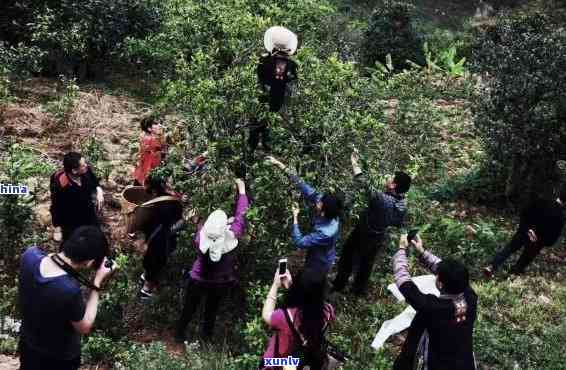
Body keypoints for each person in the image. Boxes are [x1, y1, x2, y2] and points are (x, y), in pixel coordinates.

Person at [18, 226, 117, 370]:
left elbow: (48, 261)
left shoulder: (29, 255)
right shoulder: (68, 290)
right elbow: (84, 326)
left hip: (28, 345)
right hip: (59, 358)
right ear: (89, 262)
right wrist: (97, 282)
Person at [175, 178, 249, 342]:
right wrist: (242, 191)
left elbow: (205, 230)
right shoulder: (232, 235)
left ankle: (179, 335)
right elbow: (241, 216)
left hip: (197, 279)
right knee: (211, 311)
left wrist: (199, 221)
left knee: (189, 308)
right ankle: (205, 339)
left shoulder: (199, 238)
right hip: (219, 282)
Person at [392, 234, 477, 370]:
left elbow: (405, 283)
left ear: (440, 284)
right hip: (464, 363)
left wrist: (401, 249)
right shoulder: (471, 297)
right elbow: (444, 269)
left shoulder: (433, 308)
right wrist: (422, 251)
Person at [332, 149, 411, 296]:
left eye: (390, 178)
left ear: (393, 185)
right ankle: (358, 291)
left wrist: (354, 162)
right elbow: (402, 221)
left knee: (348, 256)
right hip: (378, 237)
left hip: (364, 232)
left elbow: (364, 183)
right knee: (366, 264)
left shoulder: (383, 200)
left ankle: (338, 285)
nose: (388, 178)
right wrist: (403, 233)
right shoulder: (402, 203)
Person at [266, 156, 343, 274]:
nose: (317, 201)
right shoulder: (329, 208)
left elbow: (300, 242)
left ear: (323, 212)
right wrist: (279, 164)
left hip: (320, 262)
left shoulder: (326, 232)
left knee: (311, 279)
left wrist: (295, 217)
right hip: (315, 253)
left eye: (320, 203)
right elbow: (302, 184)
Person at [260, 268, 335, 370]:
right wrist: (291, 285)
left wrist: (275, 285)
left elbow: (266, 315)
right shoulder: (328, 311)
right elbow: (310, 300)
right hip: (304, 358)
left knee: (266, 361)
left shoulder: (283, 316)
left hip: (281, 363)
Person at [484, 190, 566, 277]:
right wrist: (542, 241)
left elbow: (524, 213)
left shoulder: (542, 201)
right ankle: (509, 277)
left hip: (524, 231)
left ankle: (491, 266)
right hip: (537, 242)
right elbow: (553, 238)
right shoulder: (560, 216)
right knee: (524, 260)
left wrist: (527, 229)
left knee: (509, 249)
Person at [249, 26, 298, 154]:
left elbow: (258, 75)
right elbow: (291, 80)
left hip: (261, 95)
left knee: (256, 123)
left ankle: (252, 148)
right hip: (278, 98)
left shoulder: (264, 59)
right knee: (269, 122)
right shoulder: (292, 65)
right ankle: (265, 148)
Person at [137, 174, 184, 299]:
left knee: (150, 260)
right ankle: (146, 289)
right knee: (157, 262)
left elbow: (143, 223)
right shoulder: (171, 202)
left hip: (153, 237)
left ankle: (145, 277)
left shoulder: (151, 202)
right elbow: (178, 219)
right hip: (162, 239)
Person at [50, 152, 104, 243]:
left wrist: (99, 191)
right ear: (74, 171)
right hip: (70, 215)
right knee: (73, 242)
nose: (86, 166)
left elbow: (94, 181)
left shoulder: (85, 171)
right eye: (83, 165)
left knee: (96, 237)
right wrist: (57, 225)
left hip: (87, 208)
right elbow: (56, 207)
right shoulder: (61, 185)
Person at [133, 115, 166, 186]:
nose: (159, 125)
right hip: (150, 164)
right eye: (155, 124)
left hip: (144, 162)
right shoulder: (152, 139)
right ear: (149, 128)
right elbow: (161, 148)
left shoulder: (143, 134)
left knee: (140, 178)